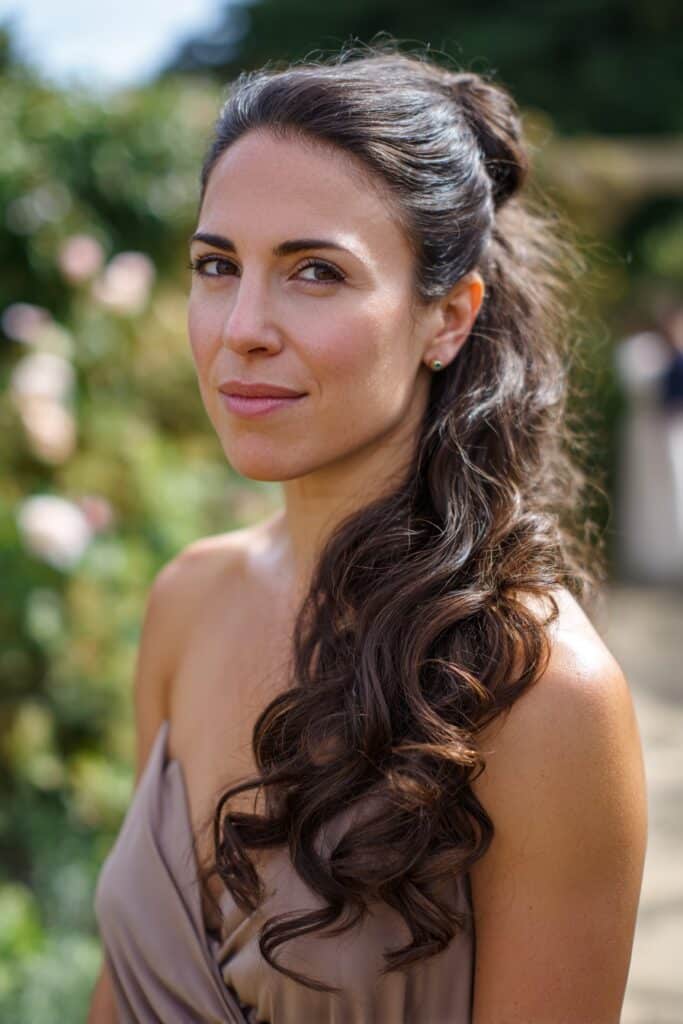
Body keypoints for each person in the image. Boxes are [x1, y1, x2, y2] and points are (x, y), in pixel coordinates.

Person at [88, 38, 647, 1024]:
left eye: (314, 272)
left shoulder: (538, 691)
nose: (241, 326)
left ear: (447, 317)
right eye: (216, 265)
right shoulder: (187, 599)